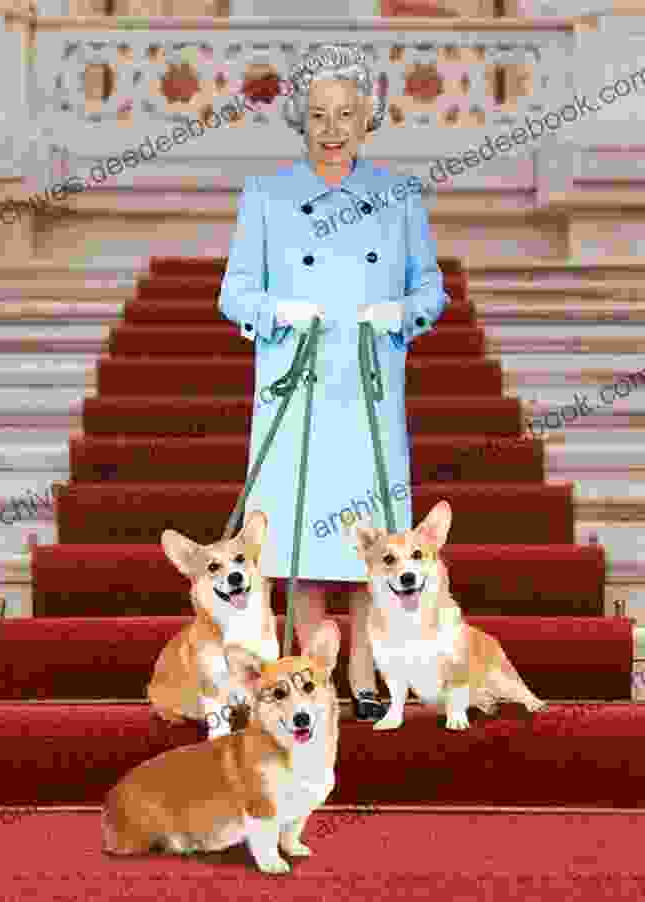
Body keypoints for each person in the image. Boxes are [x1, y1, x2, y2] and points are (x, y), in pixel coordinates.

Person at [219, 42, 449, 722]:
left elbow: (431, 288)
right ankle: (309, 667)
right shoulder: (266, 196)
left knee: (367, 529)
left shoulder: (398, 196)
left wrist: (402, 312)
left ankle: (363, 664)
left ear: (367, 116)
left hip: (369, 385)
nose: (332, 128)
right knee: (295, 537)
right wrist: (277, 311)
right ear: (301, 118)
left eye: (346, 113)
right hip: (297, 382)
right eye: (318, 113)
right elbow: (233, 293)